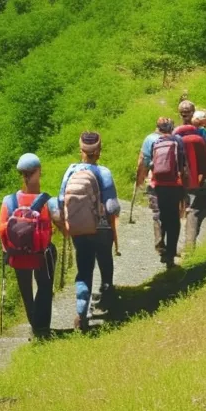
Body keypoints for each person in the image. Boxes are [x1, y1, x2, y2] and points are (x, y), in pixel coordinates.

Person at [58, 132, 120, 331]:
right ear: (99, 151)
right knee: (104, 259)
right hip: (101, 227)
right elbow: (112, 208)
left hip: (79, 228)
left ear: (81, 151)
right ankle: (107, 297)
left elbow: (61, 201)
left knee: (84, 269)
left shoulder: (71, 171)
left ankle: (81, 312)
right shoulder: (104, 172)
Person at [0, 153, 57, 338]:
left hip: (18, 254)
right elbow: (57, 225)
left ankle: (33, 323)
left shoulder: (9, 201)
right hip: (41, 254)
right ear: (38, 171)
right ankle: (42, 327)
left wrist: (8, 251)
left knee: (26, 290)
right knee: (45, 286)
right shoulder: (47, 202)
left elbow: (1, 229)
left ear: (21, 174)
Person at [174, 108, 206, 252]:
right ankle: (190, 245)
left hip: (180, 180)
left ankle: (175, 247)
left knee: (181, 210)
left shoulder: (176, 138)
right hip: (200, 180)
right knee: (195, 211)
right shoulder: (201, 138)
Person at [147, 118, 186, 268]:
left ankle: (161, 247)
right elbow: (183, 164)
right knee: (174, 218)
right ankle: (170, 254)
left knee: (162, 215)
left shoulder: (155, 143)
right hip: (175, 185)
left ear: (158, 129)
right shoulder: (178, 141)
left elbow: (151, 164)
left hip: (159, 185)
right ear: (172, 128)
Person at [135, 122, 165, 256]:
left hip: (155, 181)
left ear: (156, 127)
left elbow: (143, 161)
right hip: (174, 182)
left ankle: (159, 243)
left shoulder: (149, 139)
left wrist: (140, 178)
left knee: (158, 212)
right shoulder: (175, 138)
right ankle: (172, 244)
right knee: (173, 212)